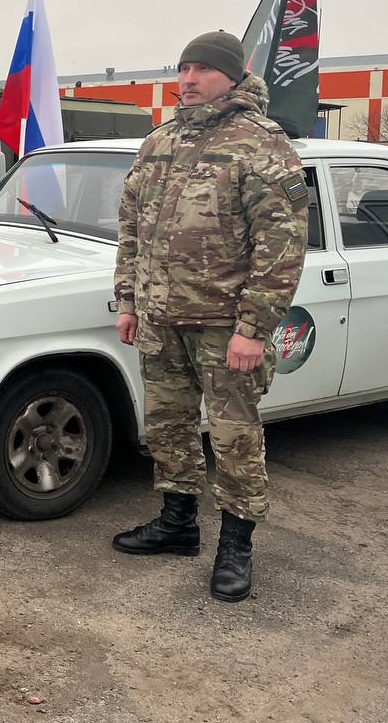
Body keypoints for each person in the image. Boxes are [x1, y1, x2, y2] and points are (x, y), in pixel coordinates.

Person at [112, 30, 308, 603]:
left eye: (202, 69)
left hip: (225, 326)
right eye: (184, 68)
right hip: (160, 318)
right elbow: (131, 228)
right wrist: (129, 301)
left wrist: (254, 329)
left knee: (234, 437)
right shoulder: (160, 142)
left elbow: (282, 244)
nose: (189, 79)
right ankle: (177, 524)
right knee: (167, 427)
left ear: (233, 75)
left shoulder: (261, 142)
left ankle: (236, 546)